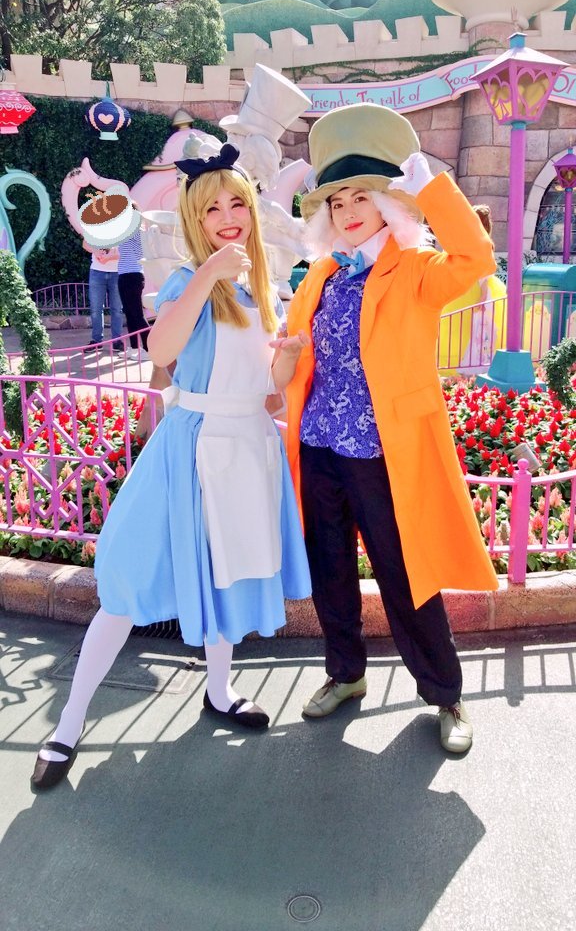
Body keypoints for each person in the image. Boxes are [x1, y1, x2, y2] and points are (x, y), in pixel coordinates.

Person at [32, 143, 311, 790]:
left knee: (227, 572)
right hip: (190, 449)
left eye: (236, 203)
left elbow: (267, 389)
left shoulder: (261, 289)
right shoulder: (193, 281)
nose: (227, 217)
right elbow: (161, 348)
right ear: (193, 219)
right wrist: (209, 271)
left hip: (247, 447)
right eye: (211, 208)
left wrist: (289, 361)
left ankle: (219, 690)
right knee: (129, 582)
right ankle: (68, 723)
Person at [286, 103, 499, 753]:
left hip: (382, 453)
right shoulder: (321, 275)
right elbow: (299, 354)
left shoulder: (415, 269)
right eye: (338, 200)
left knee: (406, 577)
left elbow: (476, 257)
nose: (349, 210)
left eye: (362, 196)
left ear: (386, 203)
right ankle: (346, 673)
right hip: (320, 445)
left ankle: (446, 694)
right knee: (330, 570)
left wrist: (431, 185)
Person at [117, 215, 150, 359]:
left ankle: (149, 349)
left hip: (133, 275)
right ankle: (134, 348)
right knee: (129, 313)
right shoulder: (125, 231)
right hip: (124, 274)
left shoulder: (137, 231)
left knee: (137, 314)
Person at [84, 240, 124, 350]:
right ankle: (96, 341)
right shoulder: (95, 229)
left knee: (117, 309)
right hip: (97, 271)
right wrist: (95, 251)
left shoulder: (123, 231)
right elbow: (85, 243)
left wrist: (109, 257)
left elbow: (127, 251)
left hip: (117, 272)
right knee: (95, 309)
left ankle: (117, 341)